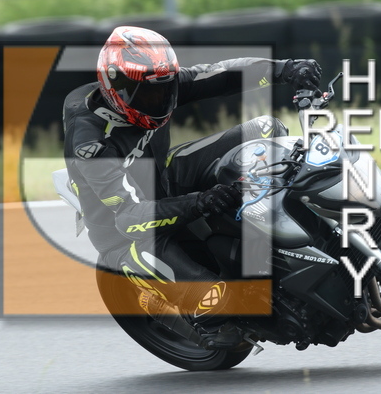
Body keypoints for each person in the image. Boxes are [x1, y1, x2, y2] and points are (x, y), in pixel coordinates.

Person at [63, 26, 321, 349]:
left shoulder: (155, 82)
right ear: (115, 89)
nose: (161, 101)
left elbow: (222, 74)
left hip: (165, 178)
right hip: (129, 233)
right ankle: (193, 311)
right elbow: (129, 217)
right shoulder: (91, 146)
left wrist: (286, 69)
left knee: (267, 130)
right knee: (223, 308)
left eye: (166, 90)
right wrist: (201, 201)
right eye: (149, 95)